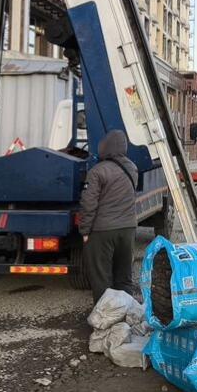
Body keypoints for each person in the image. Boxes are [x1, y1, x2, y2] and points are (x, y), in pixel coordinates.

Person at [79, 129, 139, 304]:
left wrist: (85, 230)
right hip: (127, 230)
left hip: (102, 231)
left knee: (101, 279)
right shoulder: (132, 168)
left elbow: (88, 204)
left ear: (104, 147)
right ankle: (125, 313)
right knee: (124, 278)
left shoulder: (97, 171)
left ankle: (106, 317)